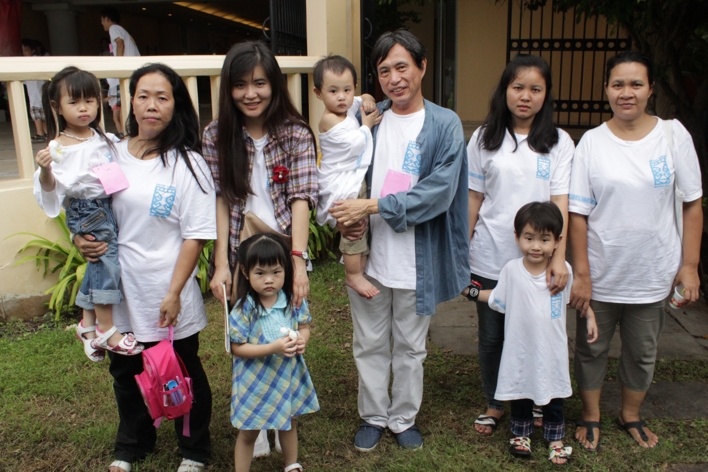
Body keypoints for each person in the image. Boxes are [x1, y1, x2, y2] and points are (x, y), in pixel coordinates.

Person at [329, 29, 469, 451]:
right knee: (369, 343)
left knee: (410, 346)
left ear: (422, 67)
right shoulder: (367, 120)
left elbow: (439, 192)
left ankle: (403, 417)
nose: (394, 78)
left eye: (402, 67)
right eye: (384, 70)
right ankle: (373, 416)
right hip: (369, 256)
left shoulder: (444, 124)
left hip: (416, 258)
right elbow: (338, 168)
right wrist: (343, 216)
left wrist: (372, 206)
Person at [74, 63, 215, 472]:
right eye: (143, 96)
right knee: (125, 371)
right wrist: (81, 238)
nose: (152, 105)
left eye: (162, 97)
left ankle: (194, 449)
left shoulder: (188, 164)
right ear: (131, 103)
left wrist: (174, 292)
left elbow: (196, 235)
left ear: (176, 105)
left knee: (181, 370)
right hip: (120, 290)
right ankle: (133, 443)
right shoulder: (110, 155)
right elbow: (90, 208)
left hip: (166, 289)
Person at [569, 51, 703, 451]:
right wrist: (582, 273)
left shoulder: (672, 136)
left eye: (636, 84)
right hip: (602, 271)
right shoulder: (592, 143)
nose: (626, 93)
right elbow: (578, 214)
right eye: (618, 84)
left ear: (650, 89)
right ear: (606, 89)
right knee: (591, 348)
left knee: (643, 351)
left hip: (652, 270)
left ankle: (630, 414)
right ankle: (590, 414)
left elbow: (692, 203)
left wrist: (690, 265)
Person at [203, 40, 317, 457]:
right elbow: (220, 199)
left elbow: (301, 198)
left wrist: (298, 263)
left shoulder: (295, 132)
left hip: (281, 254)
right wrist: (221, 263)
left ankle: (280, 414)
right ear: (228, 88)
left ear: (274, 84)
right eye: (240, 85)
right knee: (246, 334)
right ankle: (256, 420)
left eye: (259, 83)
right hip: (241, 256)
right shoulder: (216, 134)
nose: (250, 93)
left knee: (283, 330)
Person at [466, 54, 574, 435]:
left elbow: (561, 202)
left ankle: (538, 398)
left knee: (538, 331)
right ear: (505, 90)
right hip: (490, 253)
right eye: (518, 87)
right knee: (492, 336)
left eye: (535, 89)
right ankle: (496, 402)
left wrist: (558, 257)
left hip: (541, 259)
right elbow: (474, 198)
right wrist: (462, 249)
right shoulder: (484, 138)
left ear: (546, 95)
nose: (525, 96)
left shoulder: (559, 142)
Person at [465, 201, 597, 464]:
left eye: (544, 239)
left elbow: (575, 299)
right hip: (520, 348)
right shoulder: (512, 271)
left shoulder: (562, 272)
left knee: (554, 393)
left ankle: (555, 439)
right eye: (529, 238)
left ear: (557, 241)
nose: (536, 246)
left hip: (552, 349)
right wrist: (470, 291)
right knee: (521, 389)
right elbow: (497, 297)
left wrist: (590, 315)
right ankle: (520, 434)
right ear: (517, 237)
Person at [32, 66, 142, 360]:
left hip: (106, 207)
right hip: (88, 209)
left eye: (90, 101)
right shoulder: (59, 148)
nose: (83, 108)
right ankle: (107, 329)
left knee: (99, 263)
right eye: (74, 102)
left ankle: (88, 325)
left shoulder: (103, 138)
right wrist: (45, 170)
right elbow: (51, 189)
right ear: (57, 106)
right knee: (106, 263)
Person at [229, 233, 319, 472]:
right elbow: (236, 347)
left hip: (285, 377)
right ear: (246, 272)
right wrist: (273, 348)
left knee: (288, 422)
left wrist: (302, 340)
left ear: (286, 270)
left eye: (276, 272)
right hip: (255, 382)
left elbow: (304, 327)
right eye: (260, 273)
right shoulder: (244, 309)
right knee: (249, 431)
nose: (269, 280)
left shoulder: (292, 301)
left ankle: (291, 464)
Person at [313, 54, 381, 299]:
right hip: (340, 184)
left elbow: (363, 98)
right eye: (333, 91)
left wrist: (368, 99)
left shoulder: (347, 106)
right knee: (353, 227)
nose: (341, 97)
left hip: (351, 179)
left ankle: (358, 269)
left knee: (360, 228)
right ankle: (352, 275)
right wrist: (367, 124)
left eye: (347, 89)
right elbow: (355, 145)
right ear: (318, 93)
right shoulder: (329, 119)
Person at [100, 7, 140, 138]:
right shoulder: (122, 30)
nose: (102, 23)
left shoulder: (114, 28)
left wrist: (118, 63)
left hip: (128, 69)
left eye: (102, 20)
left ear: (107, 18)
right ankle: (129, 132)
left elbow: (119, 43)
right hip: (135, 69)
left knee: (123, 105)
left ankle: (125, 133)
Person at [21, 38, 49, 142]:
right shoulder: (34, 61)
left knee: (37, 113)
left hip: (36, 92)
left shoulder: (32, 61)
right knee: (42, 113)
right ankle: (46, 132)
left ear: (33, 50)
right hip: (36, 91)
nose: (24, 53)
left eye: (26, 50)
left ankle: (40, 133)